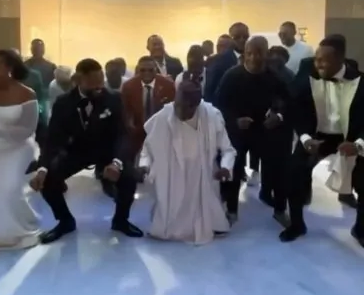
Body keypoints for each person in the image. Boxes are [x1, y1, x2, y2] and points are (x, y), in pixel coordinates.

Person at [30, 58, 142, 243]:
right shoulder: (63, 103)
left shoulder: (113, 98)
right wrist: (43, 168)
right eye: (93, 82)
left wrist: (117, 162)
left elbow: (123, 134)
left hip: (107, 150)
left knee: (129, 178)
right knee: (48, 180)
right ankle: (65, 221)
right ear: (78, 80)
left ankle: (121, 221)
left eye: (101, 81)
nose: (99, 87)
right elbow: (52, 140)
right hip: (76, 151)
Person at [279, 36, 364, 243]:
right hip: (316, 135)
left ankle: (360, 229)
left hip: (350, 138)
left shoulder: (361, 82)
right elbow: (293, 108)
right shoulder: (307, 75)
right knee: (294, 173)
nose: (318, 64)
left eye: (323, 60)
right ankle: (297, 224)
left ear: (341, 59)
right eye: (316, 59)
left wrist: (358, 144)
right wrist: (305, 138)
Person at [139, 80, 234, 243]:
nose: (178, 111)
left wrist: (226, 167)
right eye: (177, 105)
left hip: (202, 174)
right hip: (171, 173)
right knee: (169, 214)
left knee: (208, 213)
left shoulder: (212, 116)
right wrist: (144, 166)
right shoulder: (163, 117)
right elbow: (147, 148)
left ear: (196, 105)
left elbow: (228, 150)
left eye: (185, 107)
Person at [215, 36, 291, 222]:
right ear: (244, 54)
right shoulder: (231, 76)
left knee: (277, 168)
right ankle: (231, 210)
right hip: (238, 130)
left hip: (265, 129)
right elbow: (218, 105)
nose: (254, 58)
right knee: (234, 168)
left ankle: (280, 210)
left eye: (259, 53)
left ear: (266, 54)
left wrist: (278, 115)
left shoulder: (275, 77)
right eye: (249, 53)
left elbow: (287, 102)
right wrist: (234, 121)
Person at [0, 50, 41, 249]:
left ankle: (17, 228)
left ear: (10, 68)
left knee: (9, 187)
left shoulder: (27, 94)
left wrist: (0, 131)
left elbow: (29, 128)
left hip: (18, 146)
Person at [122, 56, 176, 157]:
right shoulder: (128, 87)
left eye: (150, 70)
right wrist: (131, 126)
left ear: (156, 70)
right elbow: (126, 111)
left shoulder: (167, 85)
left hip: (161, 133)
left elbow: (173, 111)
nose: (147, 73)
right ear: (138, 70)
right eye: (143, 70)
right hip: (137, 135)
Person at [204, 22, 249, 101]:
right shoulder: (219, 60)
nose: (242, 40)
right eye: (237, 37)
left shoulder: (256, 58)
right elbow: (210, 91)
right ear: (230, 39)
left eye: (245, 37)